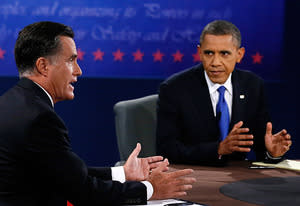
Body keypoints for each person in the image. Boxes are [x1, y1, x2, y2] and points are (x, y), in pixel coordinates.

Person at [0, 21, 196, 206]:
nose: (78, 71)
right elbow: (84, 192)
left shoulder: (11, 103)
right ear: (43, 66)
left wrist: (122, 173)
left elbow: (65, 173)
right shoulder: (40, 119)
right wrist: (151, 189)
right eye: (71, 60)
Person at [156, 20, 292, 166]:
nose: (215, 62)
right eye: (209, 53)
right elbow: (167, 150)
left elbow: (259, 146)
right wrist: (218, 149)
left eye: (224, 53)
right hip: (194, 174)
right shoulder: (174, 88)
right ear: (200, 53)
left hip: (237, 178)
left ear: (239, 54)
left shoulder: (252, 85)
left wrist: (271, 153)